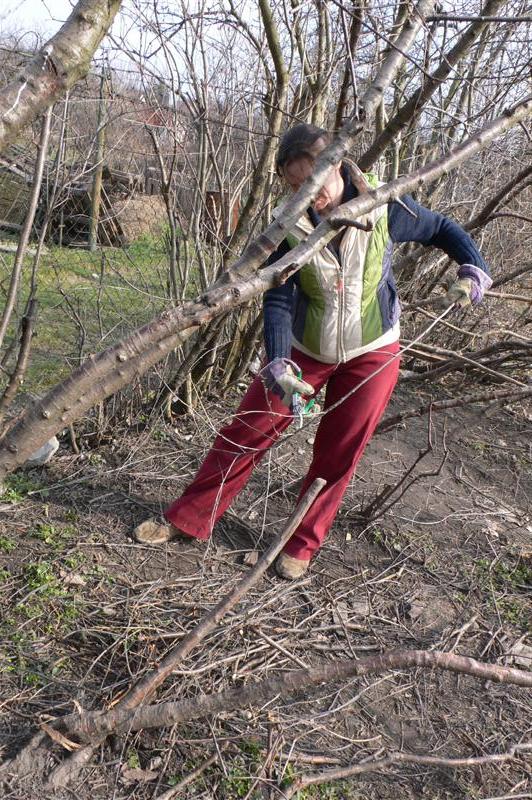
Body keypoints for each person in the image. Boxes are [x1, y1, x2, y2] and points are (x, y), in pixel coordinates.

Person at [133, 123, 492, 579]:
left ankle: (300, 544)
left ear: (338, 166)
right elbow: (278, 296)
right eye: (296, 183)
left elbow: (440, 227)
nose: (310, 192)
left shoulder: (384, 206)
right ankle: (188, 518)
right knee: (248, 430)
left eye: (316, 179)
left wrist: (472, 266)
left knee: (339, 452)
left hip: (373, 351)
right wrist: (279, 361)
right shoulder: (290, 226)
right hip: (306, 348)